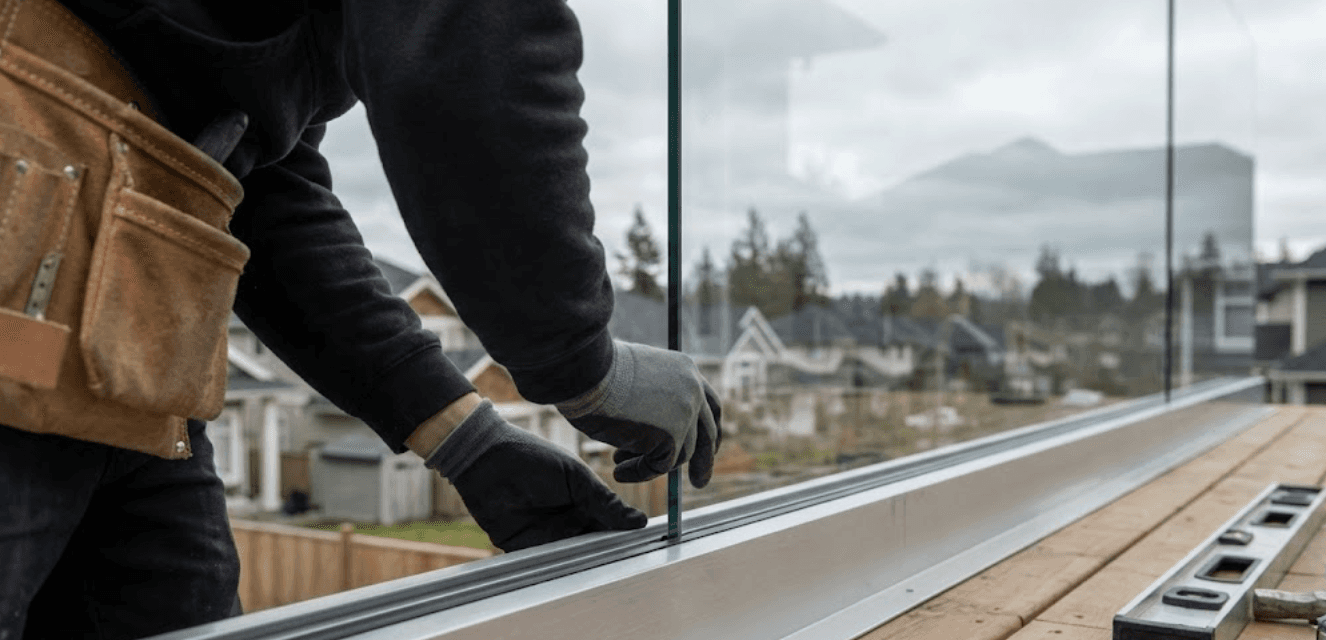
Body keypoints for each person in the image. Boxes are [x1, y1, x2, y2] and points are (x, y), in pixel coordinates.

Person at [0, 0, 722, 638]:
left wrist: (469, 443)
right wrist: (587, 365)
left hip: (118, 359)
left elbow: (256, 192)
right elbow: (465, 59)